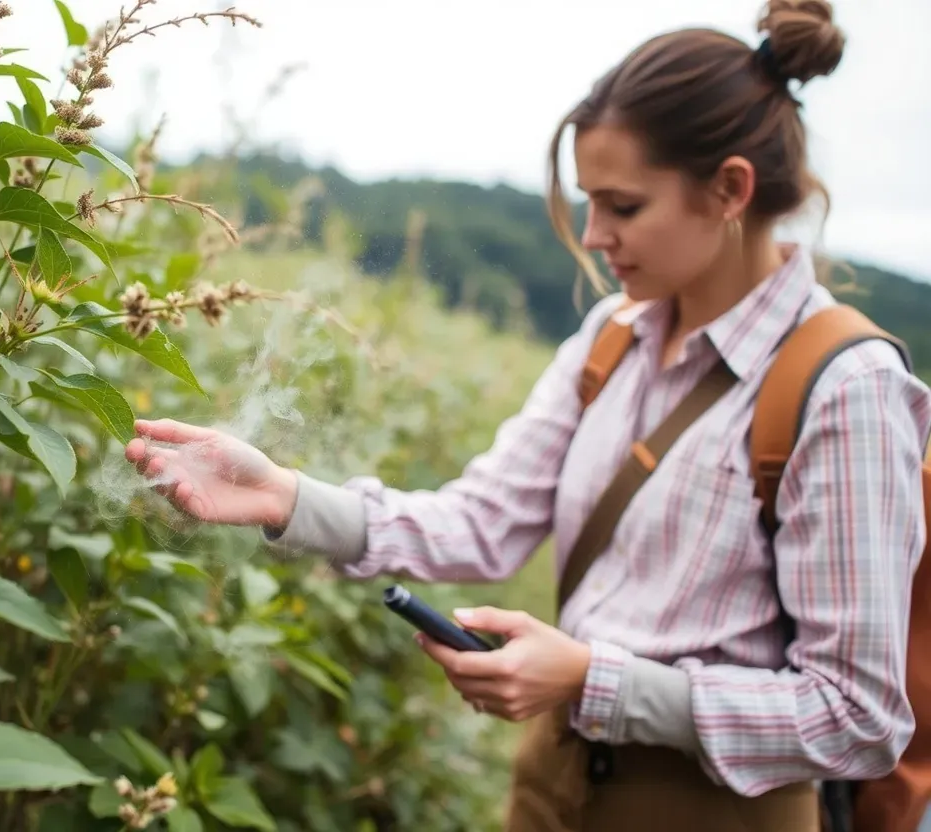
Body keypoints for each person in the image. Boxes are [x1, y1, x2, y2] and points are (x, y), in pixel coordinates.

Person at [124, 1, 931, 829]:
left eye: (623, 207)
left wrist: (590, 680)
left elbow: (857, 717)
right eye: (589, 204)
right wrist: (287, 497)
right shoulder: (609, 338)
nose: (594, 236)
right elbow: (486, 519)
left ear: (730, 189)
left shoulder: (846, 387)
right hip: (552, 781)